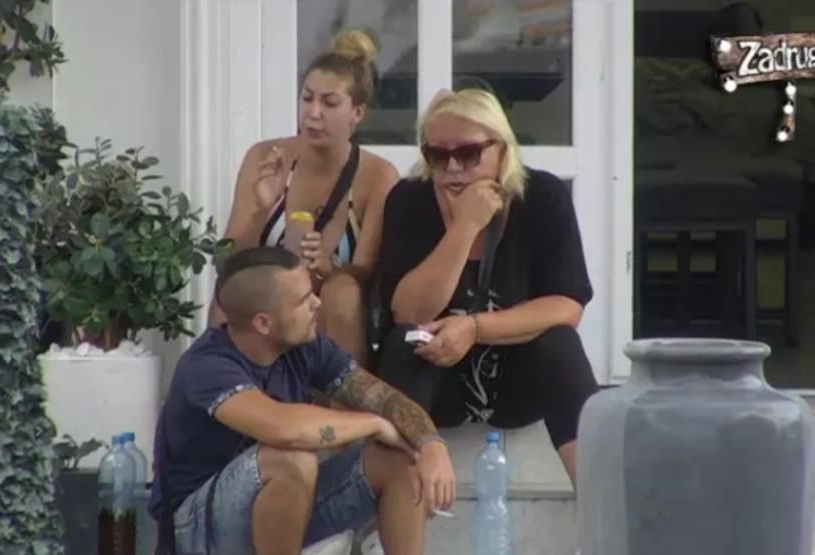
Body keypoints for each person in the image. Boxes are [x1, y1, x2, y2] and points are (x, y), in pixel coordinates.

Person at [150, 247, 455, 554]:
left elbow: (385, 398)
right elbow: (284, 428)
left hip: (277, 515)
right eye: (302, 300)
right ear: (263, 323)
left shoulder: (306, 346)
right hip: (197, 532)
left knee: (399, 459)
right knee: (291, 459)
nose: (317, 303)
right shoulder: (207, 365)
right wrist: (374, 424)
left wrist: (431, 444)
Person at [375, 88, 600, 485]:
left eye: (469, 153)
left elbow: (567, 305)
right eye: (437, 155)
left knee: (560, 344)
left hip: (516, 375)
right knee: (404, 342)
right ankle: (397, 505)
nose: (453, 168)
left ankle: (601, 502)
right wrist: (464, 227)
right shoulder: (410, 200)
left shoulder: (541, 196)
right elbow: (407, 312)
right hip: (437, 379)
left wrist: (475, 328)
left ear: (502, 150)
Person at [209, 29, 398, 367]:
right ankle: (224, 385)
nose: (313, 113)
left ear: (357, 112)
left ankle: (342, 396)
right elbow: (228, 261)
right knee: (234, 292)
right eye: (307, 98)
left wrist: (328, 267)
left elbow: (368, 274)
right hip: (269, 312)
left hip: (329, 314)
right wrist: (261, 210)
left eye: (329, 103)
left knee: (344, 291)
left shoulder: (377, 175)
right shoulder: (266, 156)